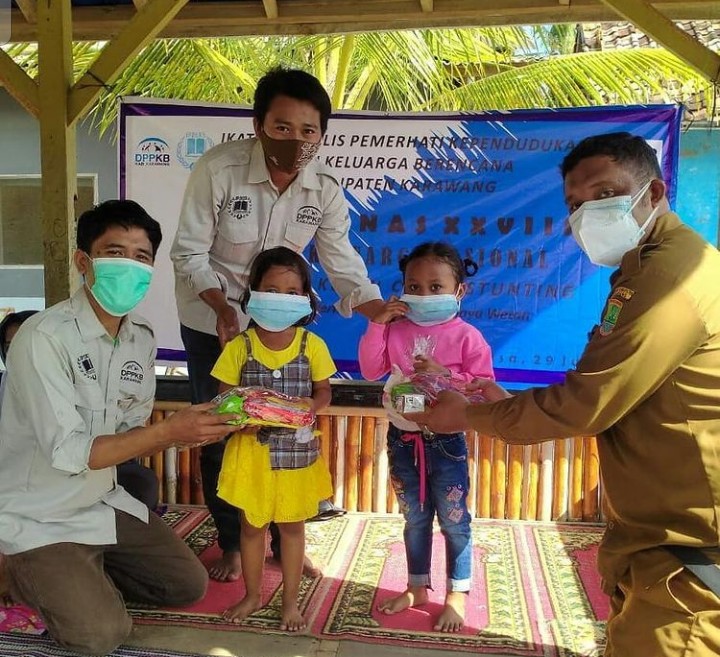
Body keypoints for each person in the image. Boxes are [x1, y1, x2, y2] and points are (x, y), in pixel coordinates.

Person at [409, 132, 720, 656]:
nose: (587, 213)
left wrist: (470, 414)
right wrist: (491, 404)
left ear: (653, 193)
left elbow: (585, 403)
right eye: (576, 204)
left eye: (605, 194)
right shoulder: (647, 269)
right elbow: (615, 394)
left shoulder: (669, 275)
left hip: (688, 553)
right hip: (662, 543)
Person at [171, 66, 385, 582]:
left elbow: (340, 259)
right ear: (259, 123)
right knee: (224, 428)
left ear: (322, 134)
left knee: (285, 426)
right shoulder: (218, 170)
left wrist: (377, 308)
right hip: (211, 319)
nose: (296, 140)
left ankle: (282, 536)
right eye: (283, 127)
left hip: (282, 327)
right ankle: (230, 542)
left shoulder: (325, 190)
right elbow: (188, 252)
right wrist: (224, 308)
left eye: (309, 130)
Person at [0, 200, 238, 656]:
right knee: (99, 636)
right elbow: (70, 452)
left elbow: (130, 430)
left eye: (141, 256)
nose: (129, 266)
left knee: (185, 585)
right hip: (39, 515)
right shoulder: (44, 337)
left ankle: (75, 575)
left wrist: (204, 428)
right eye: (114, 252)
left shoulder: (140, 337)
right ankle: (19, 565)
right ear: (83, 262)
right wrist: (171, 433)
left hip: (100, 499)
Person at [358, 241, 494, 632]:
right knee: (414, 519)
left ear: (459, 292)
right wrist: (377, 322)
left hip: (446, 442)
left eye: (436, 287)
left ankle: (457, 593)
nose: (424, 294)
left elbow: (484, 384)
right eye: (414, 287)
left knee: (453, 520)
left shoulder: (467, 336)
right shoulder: (395, 328)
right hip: (403, 439)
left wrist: (443, 375)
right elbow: (370, 369)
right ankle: (417, 587)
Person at [211, 247, 336, 631]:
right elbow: (223, 398)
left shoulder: (311, 345)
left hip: (297, 454)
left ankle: (290, 602)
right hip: (251, 455)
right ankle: (252, 596)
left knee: (293, 528)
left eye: (292, 291)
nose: (281, 298)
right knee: (251, 528)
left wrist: (310, 407)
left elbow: (324, 392)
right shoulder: (239, 347)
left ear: (305, 298)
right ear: (253, 292)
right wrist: (239, 418)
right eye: (272, 289)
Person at [0, 309, 160, 511]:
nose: (19, 352)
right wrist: (165, 433)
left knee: (140, 482)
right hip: (32, 483)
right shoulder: (9, 385)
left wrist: (165, 436)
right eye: (10, 346)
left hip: (95, 469)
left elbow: (120, 430)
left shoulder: (70, 373)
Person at [0, 310, 39, 413]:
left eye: (23, 345)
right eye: (9, 347)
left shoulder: (70, 388)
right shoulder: (2, 385)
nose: (15, 354)